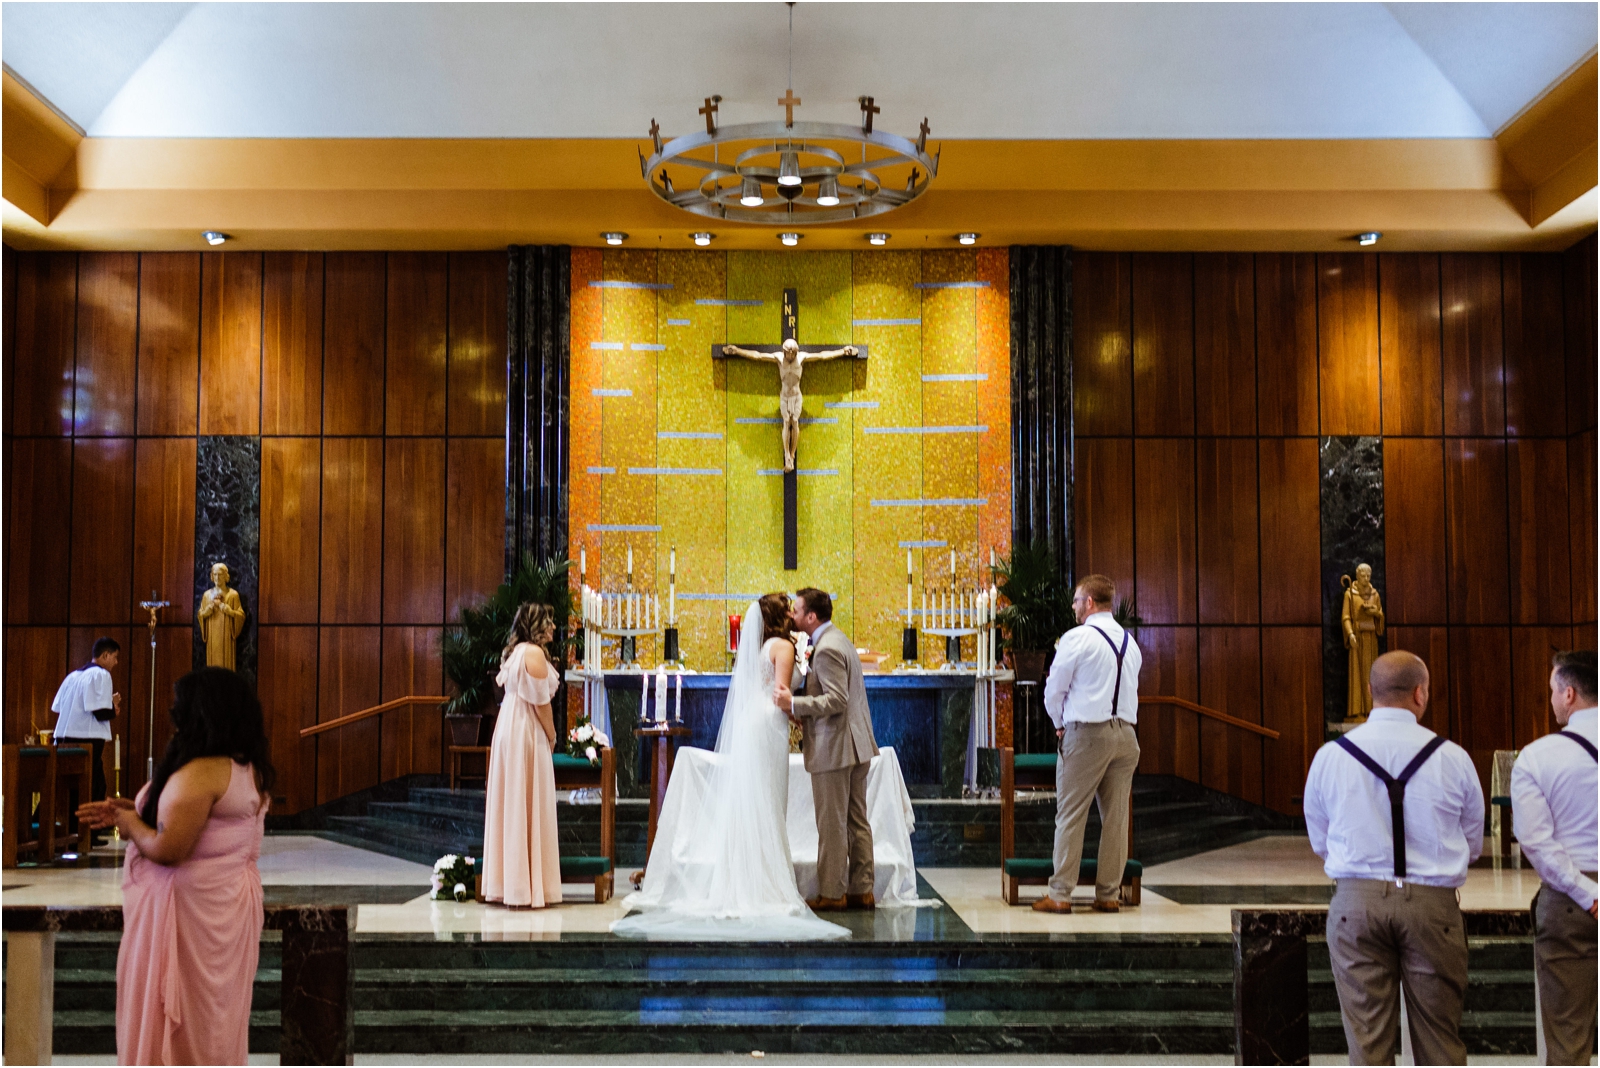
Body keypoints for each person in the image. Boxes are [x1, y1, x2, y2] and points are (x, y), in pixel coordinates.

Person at [612, 594, 849, 940]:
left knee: (755, 801)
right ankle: (766, 884)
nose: (791, 613)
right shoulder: (782, 646)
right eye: (788, 608)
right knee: (768, 802)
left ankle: (746, 877)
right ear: (779, 616)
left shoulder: (761, 646)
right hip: (769, 724)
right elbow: (781, 694)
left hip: (755, 723)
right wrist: (798, 718)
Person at [76, 667, 273, 1067]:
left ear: (203, 710)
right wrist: (137, 809)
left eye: (181, 705)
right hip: (220, 908)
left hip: (191, 918)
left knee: (187, 1027)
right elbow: (196, 821)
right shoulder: (243, 766)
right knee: (212, 1024)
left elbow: (170, 848)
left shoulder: (203, 768)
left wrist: (130, 825)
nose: (174, 713)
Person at [1304, 651, 1484, 1066]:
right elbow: (1473, 841)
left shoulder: (1331, 756)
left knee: (1367, 1048)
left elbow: (1321, 839)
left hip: (1356, 905)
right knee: (1440, 1044)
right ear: (1421, 694)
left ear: (1369, 692)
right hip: (1431, 906)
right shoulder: (1452, 757)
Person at [1034, 573, 1142, 914]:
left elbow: (1054, 688)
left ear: (1090, 603)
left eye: (1077, 600)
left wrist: (1058, 723)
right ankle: (1108, 894)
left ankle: (1060, 894)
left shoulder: (1077, 638)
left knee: (1071, 814)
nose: (1074, 606)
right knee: (1116, 819)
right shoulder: (1130, 641)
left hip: (1088, 733)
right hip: (1126, 736)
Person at [1511, 649, 1597, 1066]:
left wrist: (1589, 894)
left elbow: (1536, 843)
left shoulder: (1537, 756)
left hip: (1570, 902)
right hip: (1578, 896)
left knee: (1568, 1040)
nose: (1550, 699)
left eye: (1550, 691)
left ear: (1568, 693)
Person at [775, 587, 880, 911]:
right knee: (855, 819)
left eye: (798, 609)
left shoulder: (827, 649)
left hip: (837, 746)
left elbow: (837, 700)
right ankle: (862, 890)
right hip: (853, 743)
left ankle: (833, 893)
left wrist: (793, 702)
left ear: (812, 616)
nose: (792, 614)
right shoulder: (838, 639)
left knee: (832, 823)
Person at [481, 603, 563, 908]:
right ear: (537, 626)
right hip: (526, 727)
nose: (554, 628)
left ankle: (509, 882)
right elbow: (541, 703)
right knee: (528, 799)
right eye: (549, 623)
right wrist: (552, 735)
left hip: (509, 725)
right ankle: (528, 886)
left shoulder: (516, 652)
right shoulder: (534, 654)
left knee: (513, 799)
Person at [53, 637, 122, 841]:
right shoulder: (101, 674)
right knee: (93, 786)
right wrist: (113, 707)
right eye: (115, 657)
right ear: (105, 655)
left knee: (69, 785)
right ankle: (88, 834)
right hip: (87, 739)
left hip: (64, 738)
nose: (116, 663)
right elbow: (100, 713)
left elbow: (58, 707)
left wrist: (107, 705)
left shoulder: (73, 675)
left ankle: (73, 832)